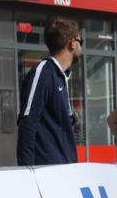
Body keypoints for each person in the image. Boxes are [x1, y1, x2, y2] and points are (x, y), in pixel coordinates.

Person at [17, 18, 81, 166]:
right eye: (80, 41)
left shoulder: (61, 75)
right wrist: (27, 171)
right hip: (48, 169)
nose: (80, 46)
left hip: (65, 167)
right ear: (72, 43)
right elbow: (27, 121)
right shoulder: (43, 73)